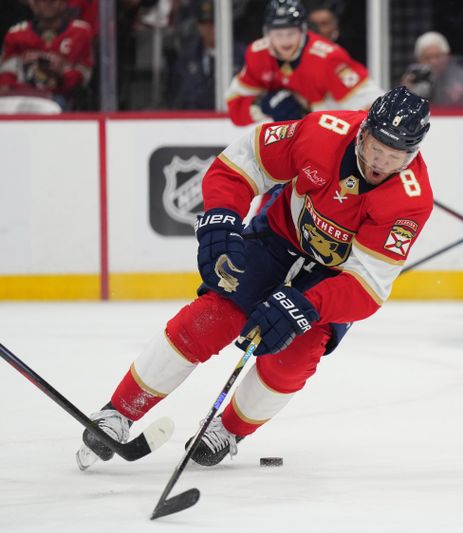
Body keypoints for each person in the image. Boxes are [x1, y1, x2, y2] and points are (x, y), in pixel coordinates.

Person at [75, 86, 433, 469]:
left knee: (294, 355)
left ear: (411, 154)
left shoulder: (410, 200)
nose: (380, 164)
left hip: (332, 277)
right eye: (376, 149)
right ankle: (118, 412)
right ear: (363, 130)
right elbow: (243, 162)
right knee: (213, 316)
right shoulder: (321, 131)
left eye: (394, 157)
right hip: (277, 238)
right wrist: (221, 217)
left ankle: (226, 432)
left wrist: (305, 306)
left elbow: (367, 285)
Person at [225, 0, 383, 126]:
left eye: (291, 33)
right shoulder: (257, 55)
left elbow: (376, 109)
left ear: (303, 30)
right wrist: (260, 106)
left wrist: (310, 113)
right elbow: (235, 109)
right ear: (267, 33)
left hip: (332, 135)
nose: (285, 41)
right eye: (278, 34)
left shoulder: (328, 58)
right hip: (292, 139)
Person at [0, 0, 93, 112]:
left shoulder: (80, 32)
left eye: (52, 1)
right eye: (42, 1)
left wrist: (63, 76)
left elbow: (84, 75)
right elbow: (5, 78)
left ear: (63, 4)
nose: (48, 4)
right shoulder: (16, 34)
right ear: (33, 4)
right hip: (22, 96)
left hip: (62, 99)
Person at [168, 0, 246, 110]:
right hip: (193, 122)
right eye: (204, 24)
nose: (210, 29)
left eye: (213, 23)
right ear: (198, 26)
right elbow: (178, 98)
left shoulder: (242, 56)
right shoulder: (187, 59)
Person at [401, 31, 463, 108]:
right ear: (418, 60)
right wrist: (405, 93)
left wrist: (462, 101)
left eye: (437, 56)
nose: (433, 62)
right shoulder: (413, 80)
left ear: (447, 56)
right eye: (427, 58)